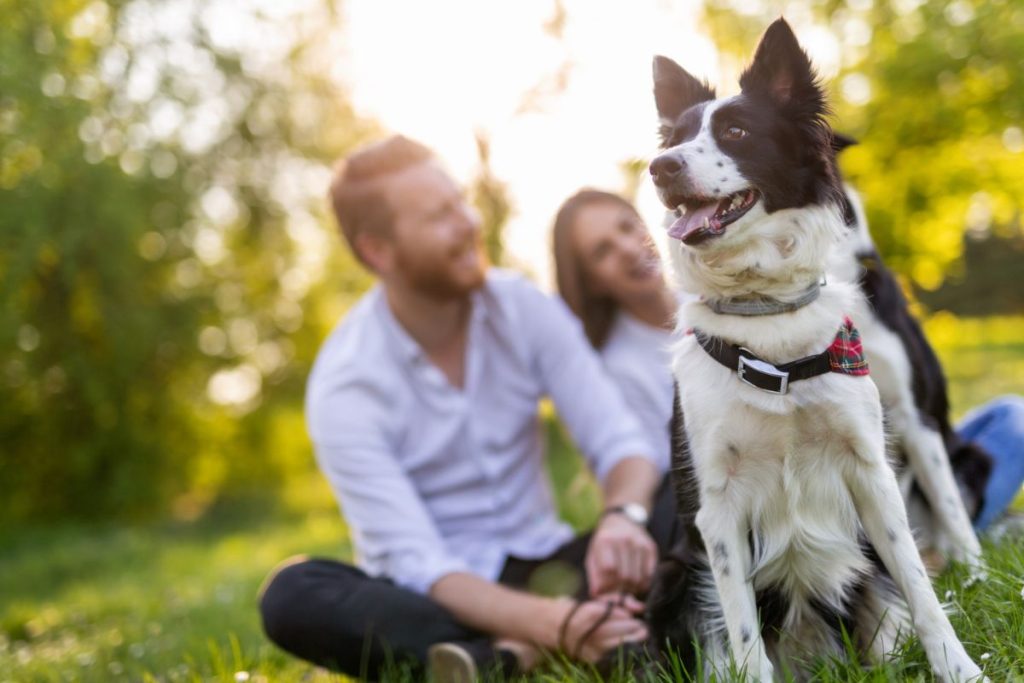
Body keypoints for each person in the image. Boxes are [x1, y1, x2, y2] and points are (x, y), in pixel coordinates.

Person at [258, 138, 680, 681]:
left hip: (556, 568)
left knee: (677, 491)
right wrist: (559, 622)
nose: (467, 223)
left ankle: (500, 659)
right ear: (378, 251)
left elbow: (622, 446)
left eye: (459, 201)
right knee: (293, 595)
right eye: (439, 216)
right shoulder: (347, 383)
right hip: (439, 597)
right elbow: (420, 564)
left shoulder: (521, 306)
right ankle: (587, 635)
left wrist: (623, 519)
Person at [551, 188, 1024, 538]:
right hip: (782, 498)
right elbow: (677, 481)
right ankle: (943, 528)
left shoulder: (726, 288)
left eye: (626, 227)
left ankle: (941, 520)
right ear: (589, 282)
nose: (629, 248)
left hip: (837, 445)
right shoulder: (613, 366)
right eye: (602, 252)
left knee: (1010, 418)